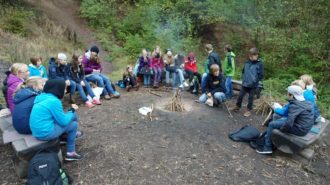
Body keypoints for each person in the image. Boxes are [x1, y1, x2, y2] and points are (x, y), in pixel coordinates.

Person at [30, 79, 83, 161]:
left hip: (37, 132)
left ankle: (67, 135)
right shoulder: (54, 101)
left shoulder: (41, 97)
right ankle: (70, 152)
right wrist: (72, 110)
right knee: (73, 123)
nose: (65, 91)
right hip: (45, 133)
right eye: (64, 88)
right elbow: (64, 121)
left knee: (71, 122)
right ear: (58, 89)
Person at [256, 85, 314, 154]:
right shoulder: (306, 102)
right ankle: (269, 137)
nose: (287, 94)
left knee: (272, 124)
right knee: (279, 121)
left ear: (292, 95)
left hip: (300, 129)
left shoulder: (295, 105)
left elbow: (289, 123)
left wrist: (282, 130)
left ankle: (267, 148)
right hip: (305, 127)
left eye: (287, 93)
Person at [231, 47, 264, 117]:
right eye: (250, 56)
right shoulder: (247, 62)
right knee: (240, 96)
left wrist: (255, 81)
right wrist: (243, 79)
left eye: (252, 56)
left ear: (256, 55)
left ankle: (248, 110)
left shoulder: (259, 64)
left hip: (253, 85)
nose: (250, 57)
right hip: (245, 84)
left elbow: (261, 75)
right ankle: (237, 106)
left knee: (250, 98)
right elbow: (243, 71)